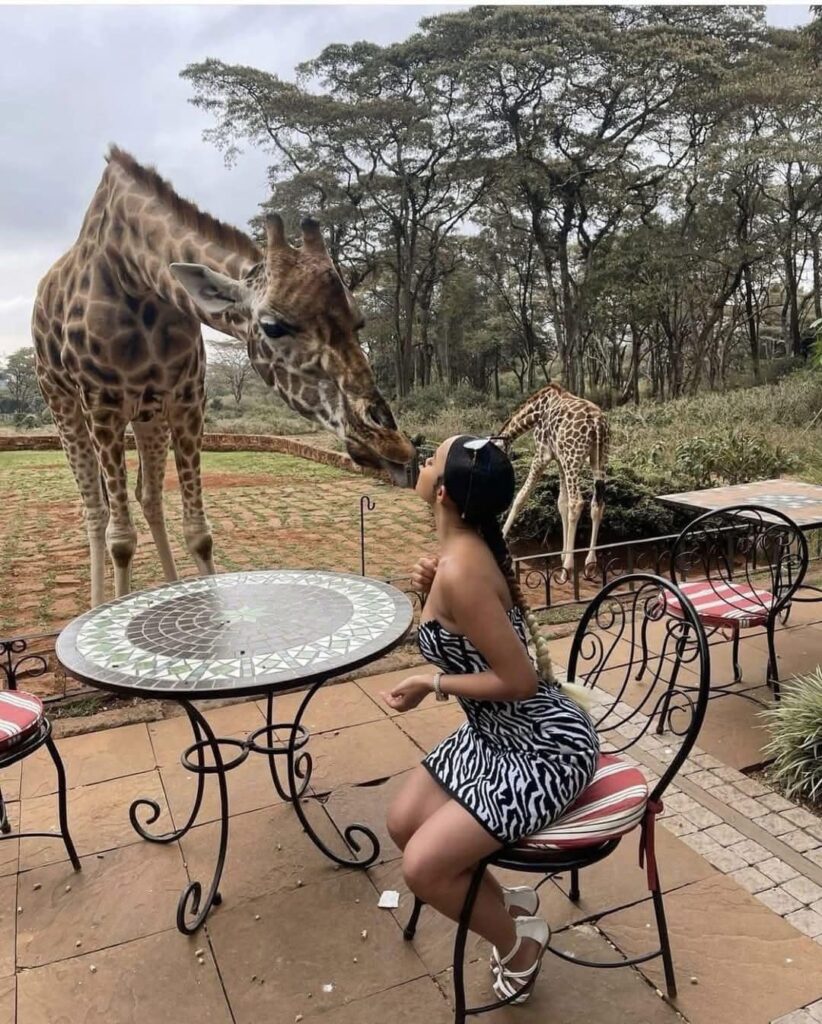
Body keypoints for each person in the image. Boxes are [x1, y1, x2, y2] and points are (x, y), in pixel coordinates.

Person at [381, 435, 600, 1004]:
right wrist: (432, 590)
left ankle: (521, 943)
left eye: (431, 459)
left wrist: (430, 681)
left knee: (423, 869)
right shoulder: (460, 557)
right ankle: (510, 903)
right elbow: (471, 626)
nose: (423, 463)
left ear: (445, 492)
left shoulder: (464, 570)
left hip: (541, 748)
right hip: (494, 733)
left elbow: (520, 680)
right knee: (404, 823)